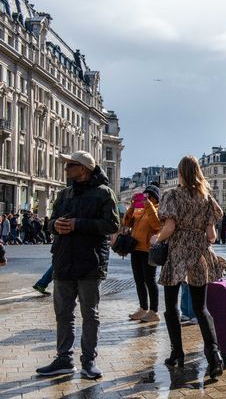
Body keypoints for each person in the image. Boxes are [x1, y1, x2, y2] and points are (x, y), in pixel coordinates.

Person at [36, 150, 120, 379]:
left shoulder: (104, 194)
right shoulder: (64, 194)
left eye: (70, 165)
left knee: (89, 314)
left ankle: (89, 361)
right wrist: (55, 226)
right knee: (63, 313)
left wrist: (78, 224)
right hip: (63, 260)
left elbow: (112, 225)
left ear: (83, 169)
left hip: (90, 262)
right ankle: (64, 359)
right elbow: (50, 222)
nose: (66, 169)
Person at [151, 155, 225, 380]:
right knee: (200, 308)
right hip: (199, 254)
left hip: (177, 253)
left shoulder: (172, 195)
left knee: (171, 306)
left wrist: (157, 238)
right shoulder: (206, 198)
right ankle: (214, 357)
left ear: (181, 173)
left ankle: (177, 353)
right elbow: (212, 235)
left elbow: (170, 226)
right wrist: (198, 234)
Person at [123, 185, 162, 323]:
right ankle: (143, 308)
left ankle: (154, 311)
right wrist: (133, 207)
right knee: (139, 280)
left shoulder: (158, 210)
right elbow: (126, 222)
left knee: (150, 281)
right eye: (144, 196)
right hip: (136, 248)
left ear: (155, 198)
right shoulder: (139, 210)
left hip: (148, 250)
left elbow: (157, 225)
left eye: (149, 196)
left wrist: (149, 206)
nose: (146, 198)